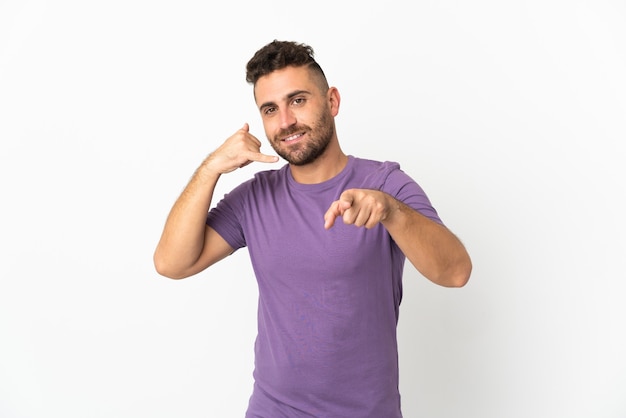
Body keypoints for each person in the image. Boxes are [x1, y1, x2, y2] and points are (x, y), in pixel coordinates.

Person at [153, 40, 472, 418]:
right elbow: (172, 263)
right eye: (270, 109)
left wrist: (391, 213)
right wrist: (210, 169)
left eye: (298, 100)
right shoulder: (254, 198)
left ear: (332, 102)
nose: (285, 120)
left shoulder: (386, 184)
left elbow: (456, 272)